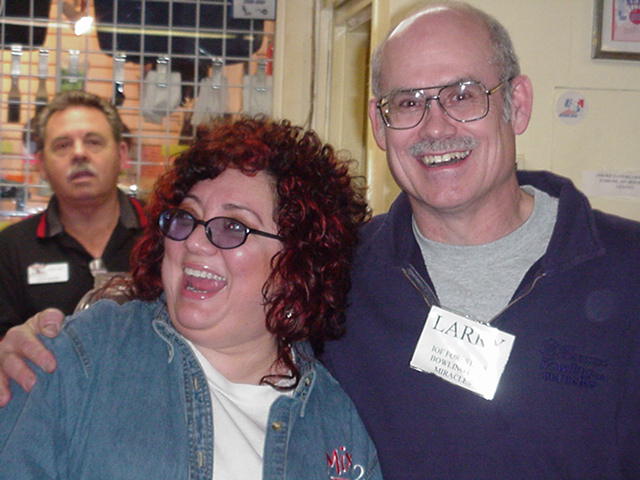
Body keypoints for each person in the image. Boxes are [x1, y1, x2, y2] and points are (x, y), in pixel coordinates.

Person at [3, 2, 640, 479]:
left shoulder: (628, 272)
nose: (434, 125)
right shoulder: (351, 274)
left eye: (463, 94)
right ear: (380, 127)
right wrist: (58, 334)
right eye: (407, 102)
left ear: (517, 104)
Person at [0, 116, 382, 479]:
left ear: (298, 262)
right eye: (186, 218)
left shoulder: (334, 419)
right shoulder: (88, 354)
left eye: (233, 227)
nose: (194, 242)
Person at [0, 90, 146, 335]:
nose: (79, 153)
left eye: (93, 142)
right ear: (41, 164)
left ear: (122, 155)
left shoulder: (165, 233)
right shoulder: (9, 248)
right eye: (63, 145)